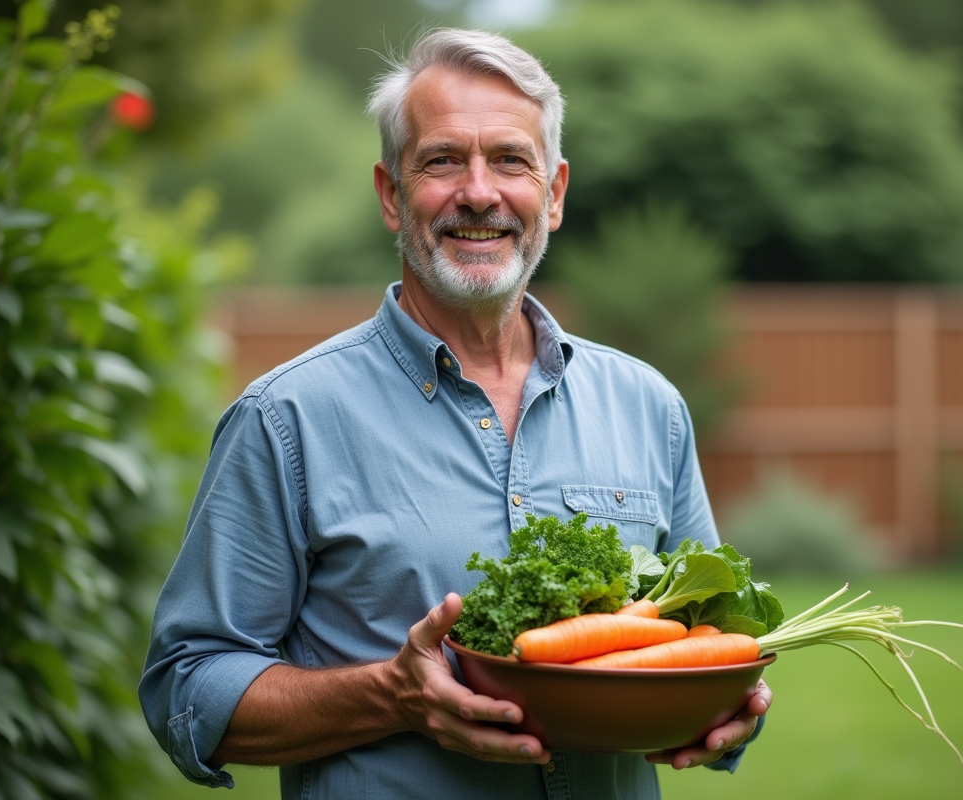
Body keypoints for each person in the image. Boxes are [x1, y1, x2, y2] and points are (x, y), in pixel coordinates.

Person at [139, 27, 771, 799]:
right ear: (390, 194)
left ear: (555, 193)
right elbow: (187, 687)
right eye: (442, 160)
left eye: (511, 159)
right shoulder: (287, 419)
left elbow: (716, 643)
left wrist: (731, 709)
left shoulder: (648, 407)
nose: (479, 192)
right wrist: (389, 697)